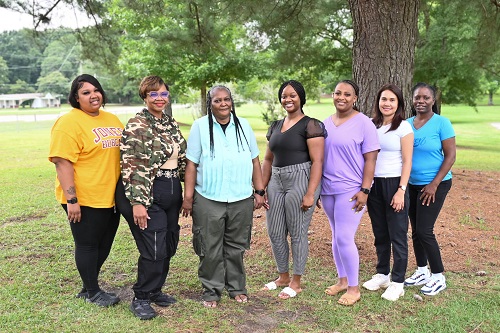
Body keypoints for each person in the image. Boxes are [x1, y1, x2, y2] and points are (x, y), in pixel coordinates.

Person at [181, 85, 265, 308]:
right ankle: (211, 289)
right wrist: (188, 197)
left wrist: (259, 191)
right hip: (208, 197)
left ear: (232, 101)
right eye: (217, 100)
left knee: (236, 246)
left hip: (240, 197)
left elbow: (255, 160)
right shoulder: (200, 126)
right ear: (210, 103)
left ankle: (237, 287)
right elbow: (191, 163)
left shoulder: (243, 125)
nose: (223, 104)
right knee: (209, 246)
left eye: (226, 99)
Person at [48, 74, 123, 307]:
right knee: (88, 244)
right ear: (76, 98)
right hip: (84, 197)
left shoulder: (112, 119)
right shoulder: (69, 122)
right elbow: (62, 162)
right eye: (86, 92)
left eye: (96, 90)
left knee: (105, 244)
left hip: (110, 196)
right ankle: (92, 291)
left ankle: (87, 285)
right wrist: (72, 199)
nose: (93, 95)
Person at [116, 75, 186, 319]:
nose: (159, 98)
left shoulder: (170, 123)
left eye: (163, 93)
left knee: (168, 243)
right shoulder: (138, 124)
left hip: (171, 188)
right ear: (145, 97)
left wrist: (191, 192)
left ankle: (156, 290)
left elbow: (183, 160)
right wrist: (138, 203)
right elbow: (132, 166)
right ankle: (141, 297)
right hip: (147, 191)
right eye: (153, 94)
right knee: (154, 246)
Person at [261, 80, 326, 299]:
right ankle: (283, 276)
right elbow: (268, 160)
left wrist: (310, 193)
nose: (288, 99)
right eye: (284, 96)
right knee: (275, 230)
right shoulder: (275, 126)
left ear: (301, 98)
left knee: (297, 231)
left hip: (300, 177)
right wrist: (261, 189)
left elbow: (318, 162)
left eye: (293, 95)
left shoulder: (311, 125)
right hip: (275, 180)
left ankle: (296, 282)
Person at [321, 80, 380, 306]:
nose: (341, 97)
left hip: (351, 190)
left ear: (355, 98)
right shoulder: (325, 124)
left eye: (347, 94)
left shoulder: (364, 123)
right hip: (327, 190)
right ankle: (343, 280)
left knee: (345, 237)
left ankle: (354, 289)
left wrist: (365, 189)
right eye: (337, 93)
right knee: (336, 236)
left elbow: (371, 160)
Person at [362, 84, 413, 301]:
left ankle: (398, 282)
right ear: (378, 101)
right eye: (384, 99)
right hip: (374, 185)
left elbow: (408, 161)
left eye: (392, 100)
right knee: (380, 233)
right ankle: (382, 274)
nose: (387, 103)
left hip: (394, 185)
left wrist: (401, 190)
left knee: (397, 235)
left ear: (398, 104)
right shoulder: (371, 125)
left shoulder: (404, 128)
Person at [404, 82, 456, 296]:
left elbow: (451, 156)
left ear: (433, 100)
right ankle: (422, 270)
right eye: (418, 97)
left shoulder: (442, 123)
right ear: (412, 99)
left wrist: (434, 184)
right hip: (412, 185)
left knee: (425, 231)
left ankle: (438, 276)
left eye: (426, 97)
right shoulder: (406, 124)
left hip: (436, 185)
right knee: (416, 231)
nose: (421, 101)